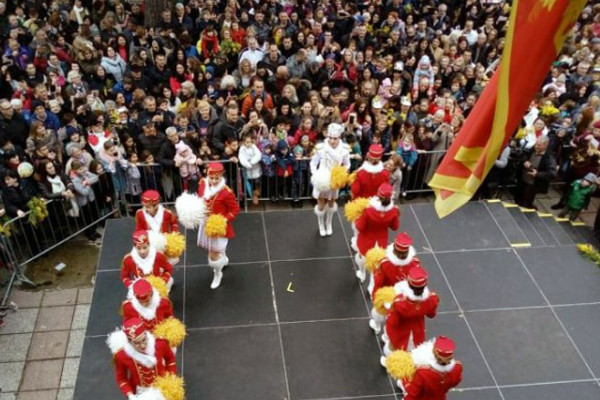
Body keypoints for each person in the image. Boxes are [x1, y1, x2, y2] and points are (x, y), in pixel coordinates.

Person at [107, 317, 177, 399]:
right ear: (129, 342)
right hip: (141, 392)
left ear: (146, 334)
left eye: (144, 340)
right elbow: (121, 379)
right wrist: (130, 395)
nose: (142, 345)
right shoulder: (122, 355)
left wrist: (171, 377)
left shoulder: (160, 344)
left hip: (163, 387)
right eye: (137, 343)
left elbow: (170, 359)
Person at [196, 162, 240, 289]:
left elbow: (235, 209)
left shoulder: (226, 192)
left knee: (213, 255)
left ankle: (217, 273)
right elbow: (200, 199)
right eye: (212, 177)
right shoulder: (202, 184)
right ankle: (224, 257)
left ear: (221, 176)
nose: (214, 181)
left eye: (217, 178)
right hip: (205, 223)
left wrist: (223, 221)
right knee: (217, 251)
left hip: (218, 226)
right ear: (207, 175)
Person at [382, 266, 439, 355]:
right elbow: (431, 315)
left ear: (408, 284)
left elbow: (393, 322)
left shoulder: (399, 303)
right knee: (413, 351)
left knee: (392, 349)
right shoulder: (431, 300)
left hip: (400, 332)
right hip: (418, 332)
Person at [310, 123, 350, 237]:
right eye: (330, 138)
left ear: (339, 138)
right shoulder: (321, 148)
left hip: (334, 181)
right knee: (321, 205)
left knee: (331, 204)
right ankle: (321, 223)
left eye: (335, 138)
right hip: (322, 181)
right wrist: (316, 175)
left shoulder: (345, 150)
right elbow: (313, 163)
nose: (332, 141)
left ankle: (329, 222)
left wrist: (341, 174)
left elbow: (347, 164)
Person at [355, 183, 400, 284]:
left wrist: (358, 217)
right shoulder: (393, 211)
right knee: (377, 264)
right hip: (381, 241)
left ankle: (362, 273)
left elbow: (360, 227)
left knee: (361, 257)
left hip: (366, 240)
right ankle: (372, 284)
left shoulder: (368, 210)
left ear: (378, 196)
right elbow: (395, 227)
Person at [398, 336, 463, 399]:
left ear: (434, 353)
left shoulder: (422, 372)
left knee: (405, 379)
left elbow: (413, 393)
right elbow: (455, 382)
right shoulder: (458, 367)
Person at [516, 136, 557, 209]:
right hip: (522, 179)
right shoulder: (533, 148)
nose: (536, 147)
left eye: (539, 145)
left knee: (527, 201)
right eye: (536, 144)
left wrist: (537, 174)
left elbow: (552, 174)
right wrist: (525, 161)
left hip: (533, 184)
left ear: (546, 145)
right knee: (518, 198)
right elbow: (523, 155)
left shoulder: (549, 157)